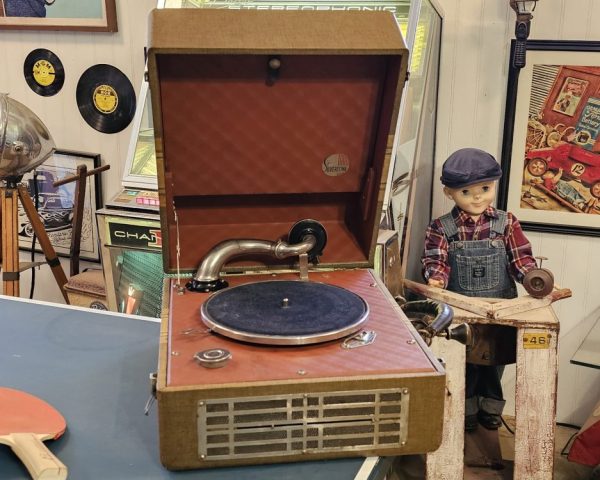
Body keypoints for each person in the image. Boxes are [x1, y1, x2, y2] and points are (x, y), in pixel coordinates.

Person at [421, 147, 537, 432]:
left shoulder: (506, 222)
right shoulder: (441, 228)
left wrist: (533, 278)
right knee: (466, 362)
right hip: (462, 313)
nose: (477, 197)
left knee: (496, 361)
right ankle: (468, 409)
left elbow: (521, 258)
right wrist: (436, 278)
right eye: (466, 192)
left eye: (485, 189)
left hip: (500, 310)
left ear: (494, 185)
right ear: (449, 193)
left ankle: (491, 408)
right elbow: (436, 259)